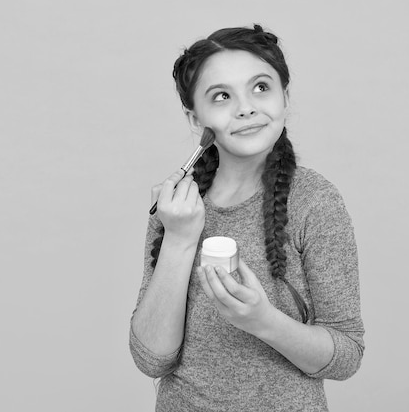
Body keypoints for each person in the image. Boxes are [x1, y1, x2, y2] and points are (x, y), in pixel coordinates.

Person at [129, 24, 365, 411]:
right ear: (195, 120)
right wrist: (179, 238)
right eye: (221, 96)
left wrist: (263, 321)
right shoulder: (176, 208)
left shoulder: (315, 202)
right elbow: (152, 359)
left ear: (285, 97)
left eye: (260, 87)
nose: (245, 107)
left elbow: (346, 356)